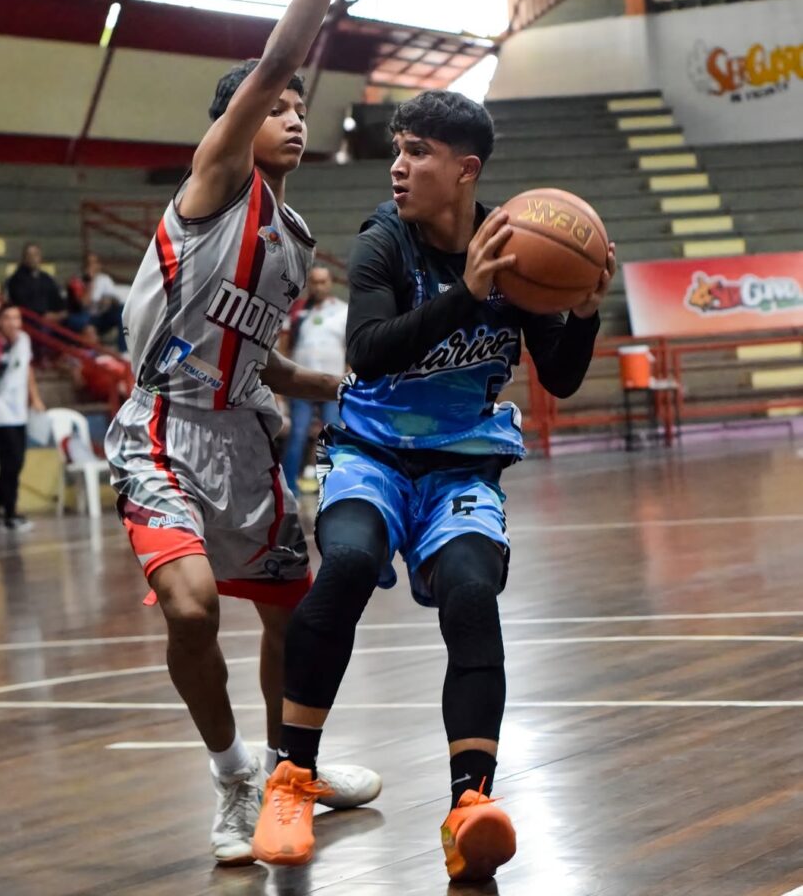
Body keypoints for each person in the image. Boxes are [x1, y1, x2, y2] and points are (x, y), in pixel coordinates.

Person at [104, 0, 399, 869]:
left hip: (242, 434)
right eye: (279, 106)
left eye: (301, 109)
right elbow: (278, 55)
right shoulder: (218, 181)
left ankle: (287, 774)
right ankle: (232, 778)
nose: (295, 115)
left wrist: (326, 387)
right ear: (239, 122)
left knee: (293, 613)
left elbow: (252, 355)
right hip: (162, 429)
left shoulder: (291, 236)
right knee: (191, 605)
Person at [253, 90, 617, 880]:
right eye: (398, 149)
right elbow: (369, 352)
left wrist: (585, 313)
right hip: (372, 455)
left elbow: (560, 376)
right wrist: (467, 296)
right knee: (349, 564)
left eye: (417, 152)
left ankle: (468, 807)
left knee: (472, 592)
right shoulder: (383, 240)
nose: (399, 166)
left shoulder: (517, 248)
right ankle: (290, 780)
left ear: (465, 170)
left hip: (462, 465)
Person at [280, 264, 347, 494]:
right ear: (309, 284)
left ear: (330, 283)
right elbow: (284, 348)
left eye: (323, 281)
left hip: (332, 386)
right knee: (297, 435)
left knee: (332, 436)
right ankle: (289, 489)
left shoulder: (344, 311)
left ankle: (332, 488)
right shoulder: (297, 312)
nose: (319, 286)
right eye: (315, 282)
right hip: (301, 385)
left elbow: (352, 350)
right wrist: (280, 389)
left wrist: (350, 381)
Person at [0, 304, 45, 531]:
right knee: (12, 463)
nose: (13, 323)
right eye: (7, 318)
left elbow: (27, 370)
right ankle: (10, 513)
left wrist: (35, 397)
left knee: (12, 464)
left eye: (17, 318)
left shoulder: (24, 340)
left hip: (19, 412)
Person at [66, 253, 127, 353]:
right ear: (84, 266)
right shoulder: (77, 281)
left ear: (99, 265)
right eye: (89, 263)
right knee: (81, 321)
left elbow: (116, 299)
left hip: (101, 317)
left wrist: (109, 300)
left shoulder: (105, 279)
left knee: (122, 310)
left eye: (94, 263)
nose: (92, 266)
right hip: (84, 318)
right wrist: (90, 282)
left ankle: (123, 350)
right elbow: (83, 304)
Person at [5, 244, 65, 322]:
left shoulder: (46, 278)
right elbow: (22, 304)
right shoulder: (16, 280)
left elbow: (57, 298)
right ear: (24, 258)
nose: (32, 258)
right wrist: (44, 314)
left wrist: (60, 313)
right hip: (31, 321)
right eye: (29, 255)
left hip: (52, 319)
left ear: (40, 257)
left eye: (35, 254)